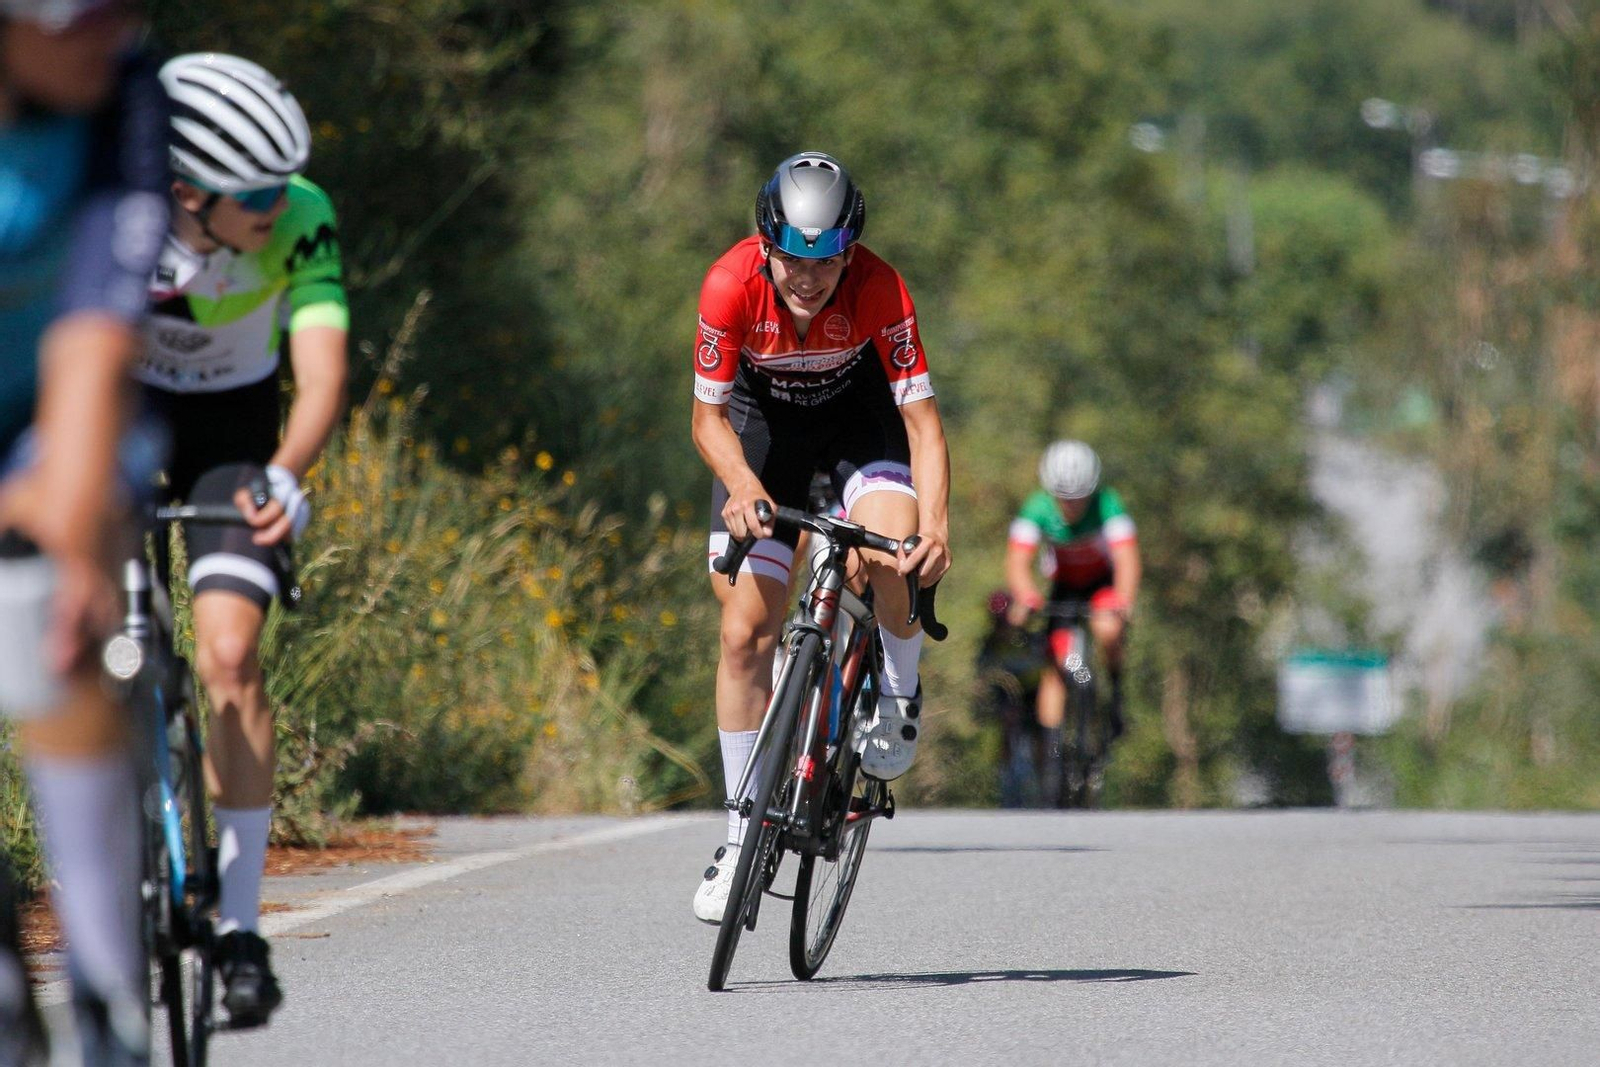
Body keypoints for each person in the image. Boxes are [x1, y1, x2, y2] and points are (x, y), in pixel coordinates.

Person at [140, 51, 348, 1027]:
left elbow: (320, 371)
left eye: (280, 181)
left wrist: (286, 470)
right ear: (185, 189)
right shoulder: (116, 210)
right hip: (123, 418)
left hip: (235, 434)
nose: (278, 199)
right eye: (253, 188)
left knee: (230, 654)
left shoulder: (300, 216)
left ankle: (239, 924)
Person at [689, 151, 951, 923]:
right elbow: (706, 418)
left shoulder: (881, 286)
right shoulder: (727, 285)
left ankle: (898, 692)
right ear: (766, 244)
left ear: (850, 249)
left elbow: (923, 426)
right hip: (763, 436)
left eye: (827, 263)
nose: (808, 281)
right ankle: (741, 835)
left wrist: (934, 526)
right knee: (744, 633)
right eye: (793, 263)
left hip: (857, 424)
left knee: (892, 552)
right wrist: (742, 485)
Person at [0, 1, 170, 1061]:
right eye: (83, 19)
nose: (114, 34)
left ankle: (107, 994)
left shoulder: (125, 93)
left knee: (43, 612)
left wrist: (66, 536)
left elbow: (95, 340)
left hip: (49, 401)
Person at [1005, 440, 1140, 763]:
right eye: (1064, 499)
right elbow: (1017, 562)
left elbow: (1127, 559)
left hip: (1100, 585)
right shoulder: (1037, 508)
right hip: (1064, 586)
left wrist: (1124, 599)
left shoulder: (1109, 505)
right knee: (1054, 661)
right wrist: (1026, 596)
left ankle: (1116, 691)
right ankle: (1051, 751)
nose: (1072, 506)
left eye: (1080, 498)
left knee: (1107, 629)